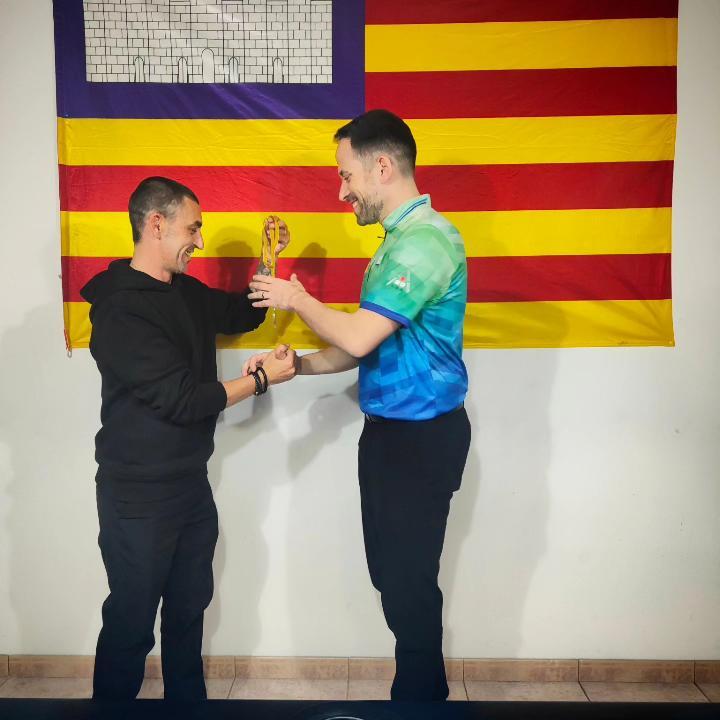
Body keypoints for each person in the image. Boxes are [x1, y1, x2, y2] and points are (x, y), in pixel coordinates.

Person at [246, 110, 471, 701]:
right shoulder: (397, 243)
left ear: (382, 166)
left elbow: (360, 336)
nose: (342, 191)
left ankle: (420, 703)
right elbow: (357, 346)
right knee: (393, 579)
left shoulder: (426, 242)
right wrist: (297, 366)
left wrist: (296, 298)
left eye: (347, 176)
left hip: (422, 439)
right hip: (391, 436)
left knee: (408, 584)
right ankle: (419, 694)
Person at [80, 176, 296, 700]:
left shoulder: (184, 291)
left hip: (189, 488)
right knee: (131, 624)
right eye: (192, 228)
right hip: (137, 495)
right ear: (156, 224)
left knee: (187, 615)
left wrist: (268, 259)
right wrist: (261, 380)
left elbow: (242, 314)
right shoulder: (119, 309)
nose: (200, 241)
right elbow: (182, 399)